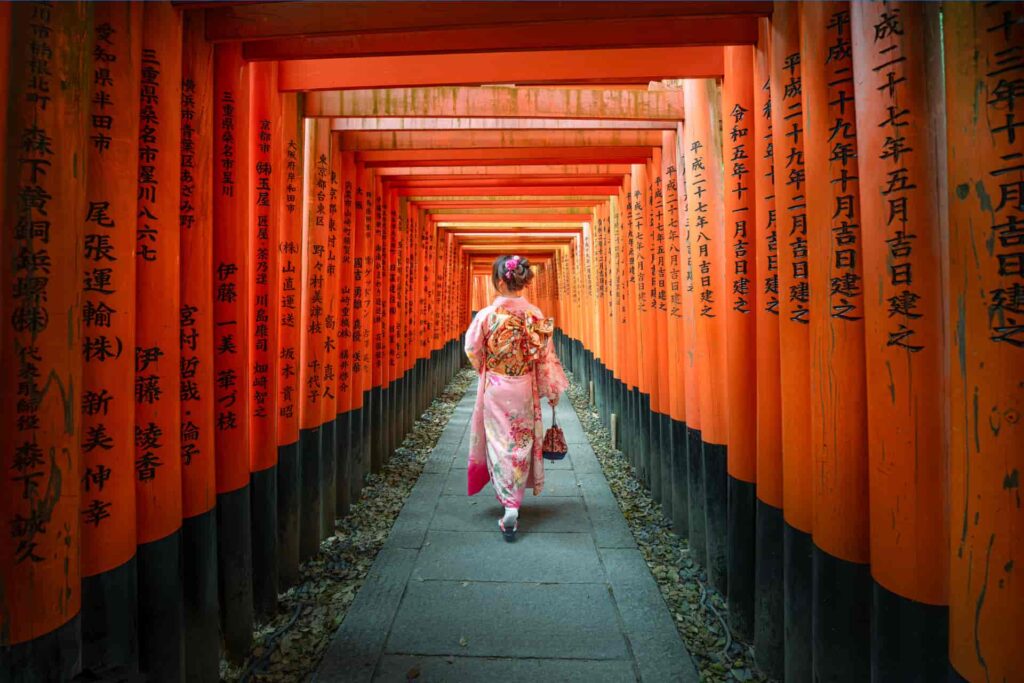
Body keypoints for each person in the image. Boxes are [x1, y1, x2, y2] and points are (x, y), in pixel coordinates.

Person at [464, 254, 569, 542]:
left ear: (499, 282)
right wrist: (551, 389)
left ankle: (509, 505)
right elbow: (545, 356)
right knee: (521, 440)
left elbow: (472, 349)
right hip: (523, 385)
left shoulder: (487, 315)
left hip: (496, 386)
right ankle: (514, 498)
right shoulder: (534, 314)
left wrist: (486, 367)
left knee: (500, 442)